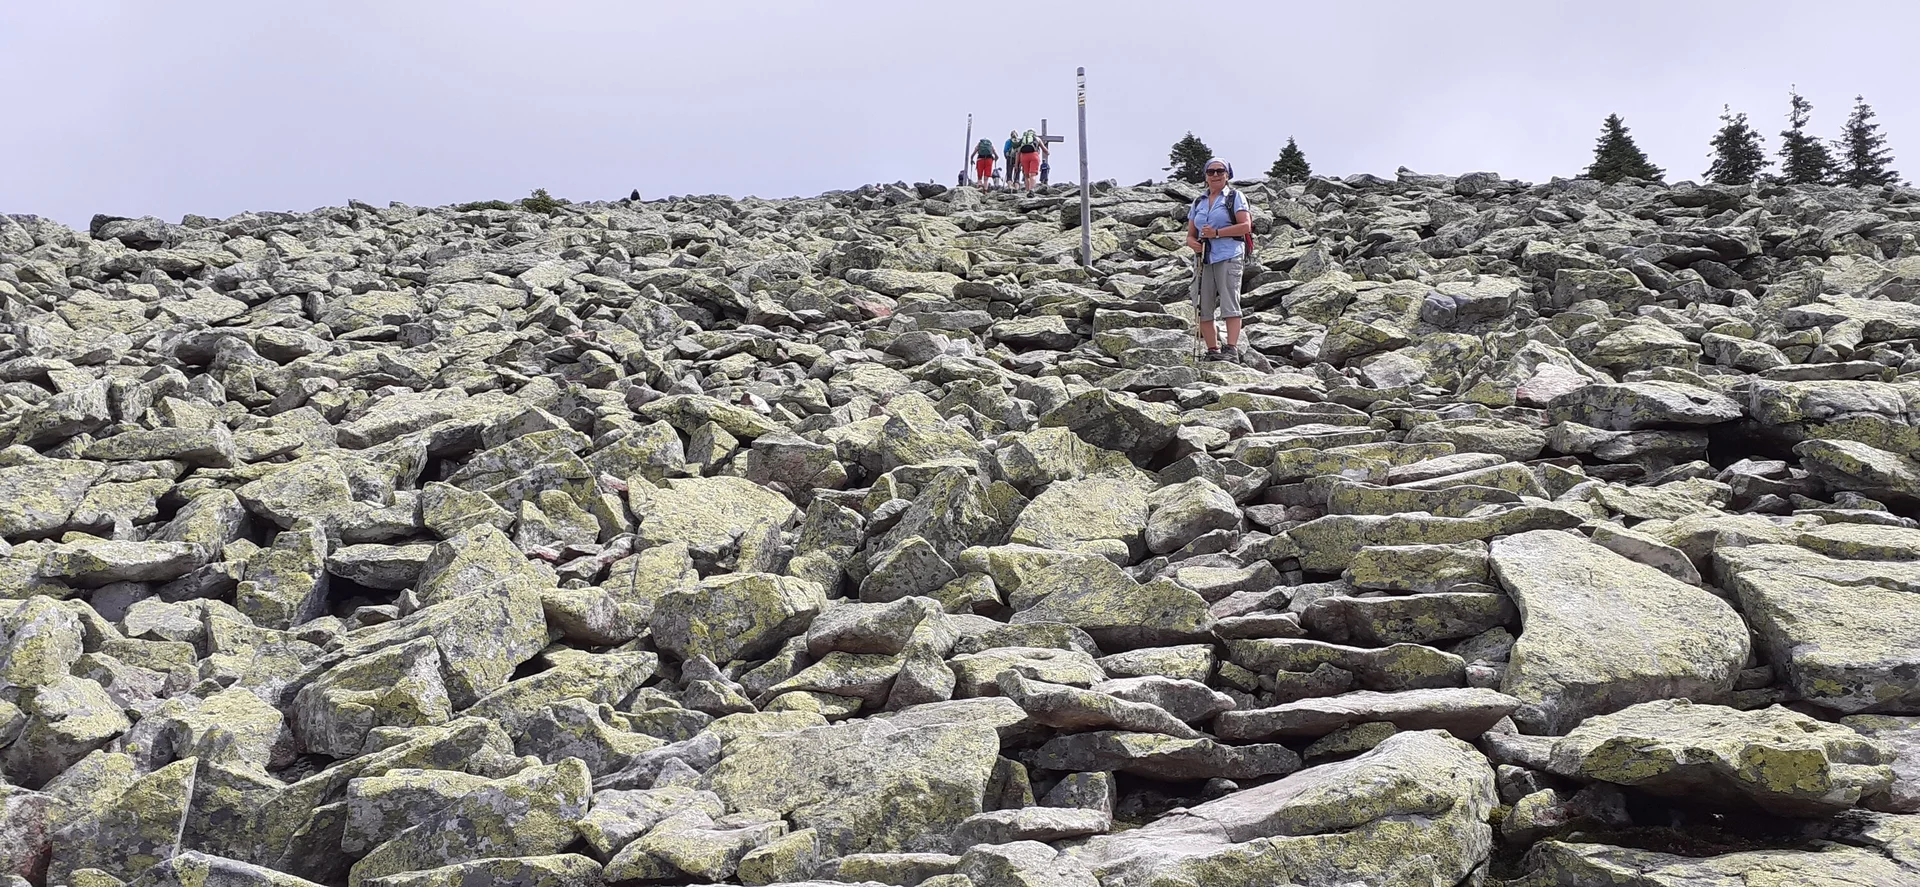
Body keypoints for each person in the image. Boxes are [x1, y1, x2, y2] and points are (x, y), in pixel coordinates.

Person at [1187, 158, 1253, 361]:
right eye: (1211, 171)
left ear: (1227, 174)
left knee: (1229, 301)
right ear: (1205, 176)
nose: (1215, 175)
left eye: (1220, 171)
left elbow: (1245, 226)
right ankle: (1212, 350)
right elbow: (1190, 235)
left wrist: (1216, 233)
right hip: (1204, 258)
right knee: (1203, 304)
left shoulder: (1235, 197)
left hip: (1229, 254)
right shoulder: (1199, 202)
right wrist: (1193, 243)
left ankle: (1231, 349)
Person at [1017, 128, 1045, 194]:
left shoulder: (1023, 140)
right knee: (1032, 175)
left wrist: (1016, 164)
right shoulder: (1037, 139)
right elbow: (1044, 149)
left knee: (1026, 175)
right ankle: (1032, 190)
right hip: (1034, 156)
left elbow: (1018, 151)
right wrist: (1048, 152)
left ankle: (1027, 190)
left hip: (1024, 157)